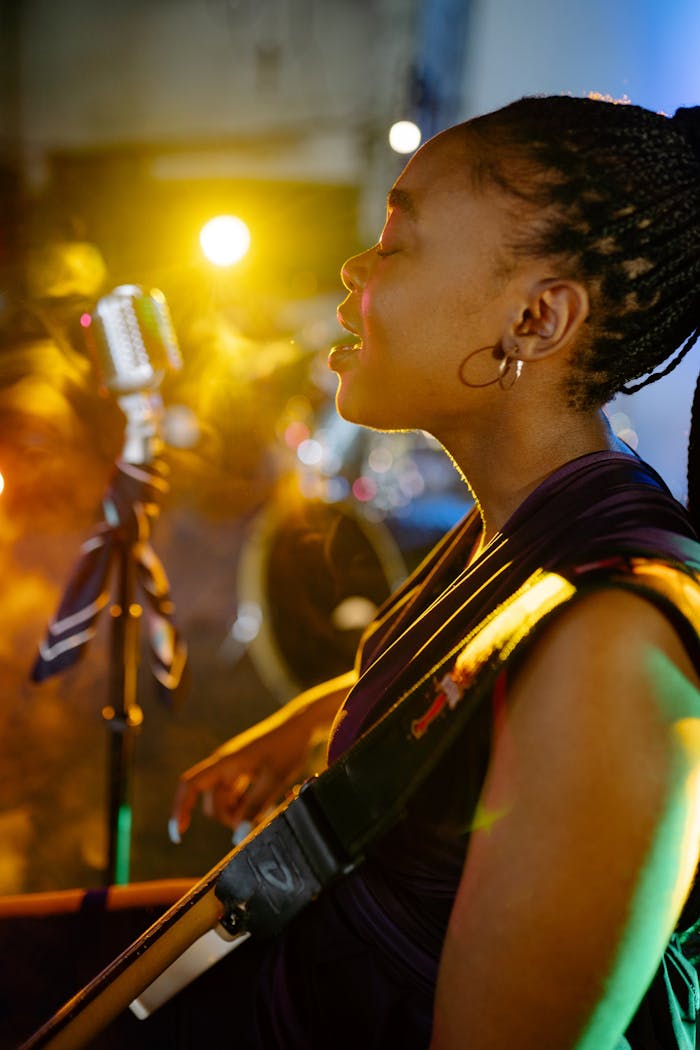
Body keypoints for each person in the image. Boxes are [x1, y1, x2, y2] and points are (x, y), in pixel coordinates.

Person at [168, 94, 700, 1049]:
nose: (353, 269)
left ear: (536, 319)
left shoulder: (614, 654)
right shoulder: (528, 532)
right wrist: (344, 715)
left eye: (395, 240)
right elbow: (494, 685)